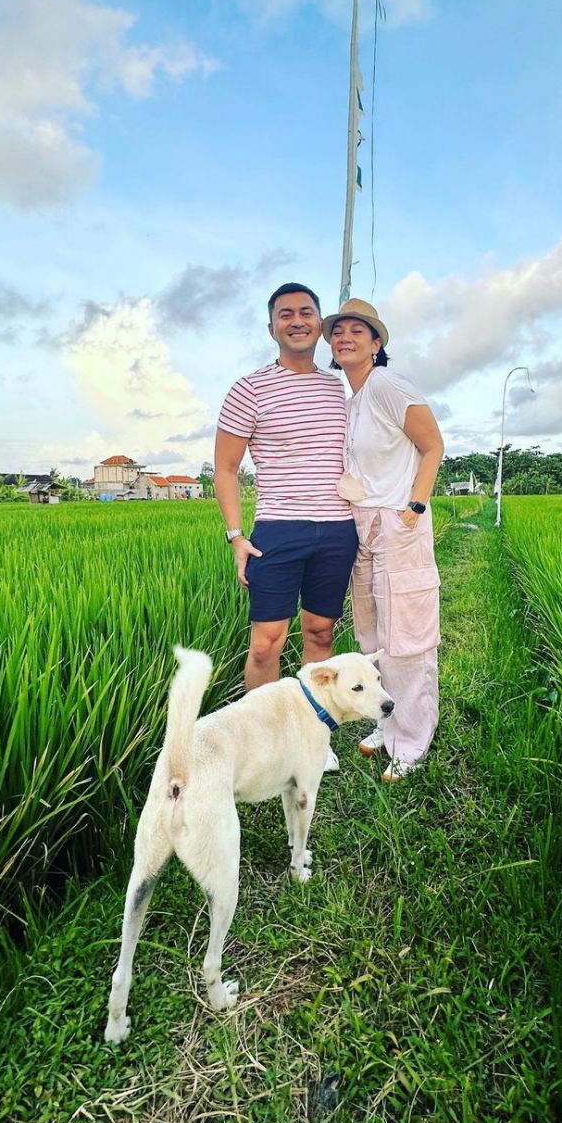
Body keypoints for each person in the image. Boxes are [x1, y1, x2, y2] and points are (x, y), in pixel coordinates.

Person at [215, 283, 358, 732]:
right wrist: (236, 537)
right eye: (285, 314)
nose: (297, 321)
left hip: (338, 529)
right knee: (266, 643)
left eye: (306, 312)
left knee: (321, 633)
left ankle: (313, 734)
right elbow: (225, 469)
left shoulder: (337, 387)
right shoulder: (249, 389)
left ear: (320, 323)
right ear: (271, 328)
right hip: (278, 529)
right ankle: (262, 738)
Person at [323, 298, 444, 781]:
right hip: (363, 527)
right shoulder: (350, 400)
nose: (345, 337)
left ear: (376, 344)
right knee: (371, 637)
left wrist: (414, 508)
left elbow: (433, 445)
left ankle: (412, 740)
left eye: (357, 331)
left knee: (406, 638)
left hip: (397, 524)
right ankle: (387, 723)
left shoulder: (388, 384)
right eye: (338, 332)